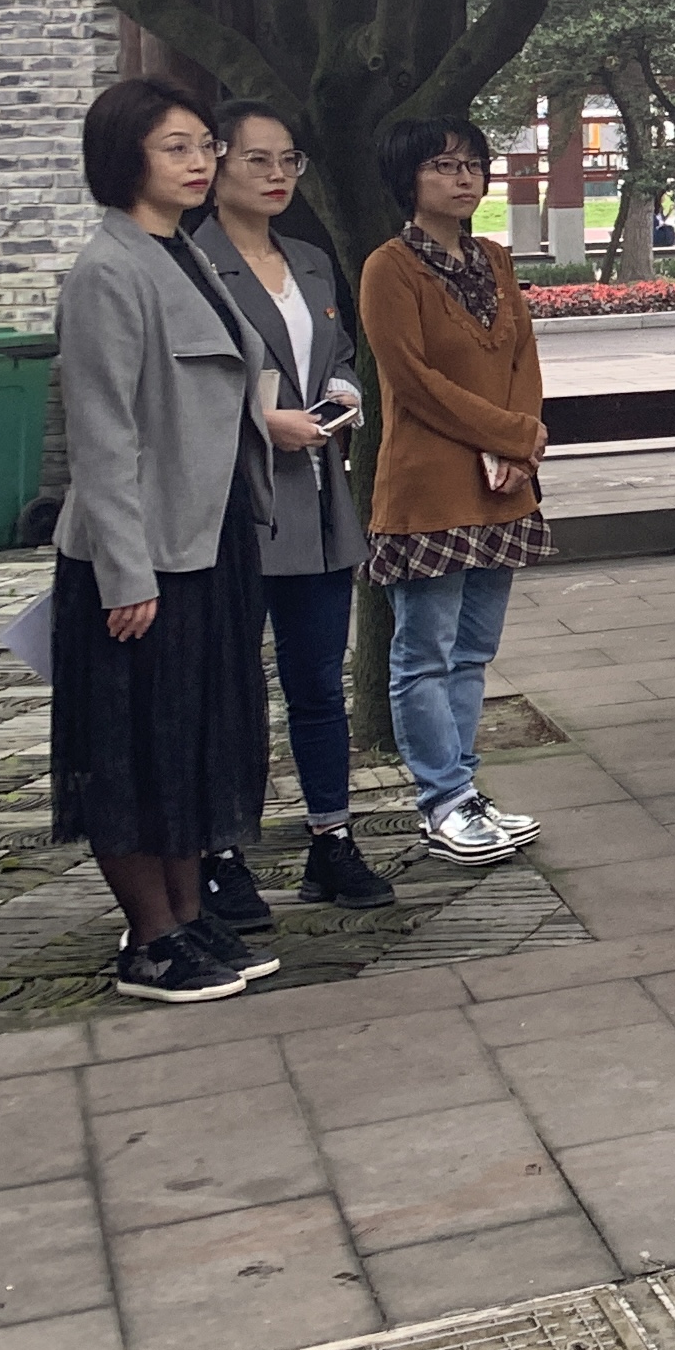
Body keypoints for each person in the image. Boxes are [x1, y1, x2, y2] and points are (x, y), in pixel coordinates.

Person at [53, 80, 279, 1003]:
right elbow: (102, 435)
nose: (199, 163)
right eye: (174, 148)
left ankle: (187, 919)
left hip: (207, 536)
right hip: (142, 554)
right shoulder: (107, 271)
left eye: (203, 146)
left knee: (191, 738)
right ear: (125, 158)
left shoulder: (181, 252)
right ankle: (149, 941)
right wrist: (126, 572)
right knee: (132, 749)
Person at [189, 99, 393, 913]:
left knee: (318, 683)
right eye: (258, 160)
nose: (277, 176)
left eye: (289, 161)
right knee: (230, 687)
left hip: (316, 498)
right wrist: (259, 420)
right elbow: (183, 385)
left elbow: (336, 351)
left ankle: (332, 839)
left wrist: (342, 389)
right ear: (216, 167)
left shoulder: (308, 260)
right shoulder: (191, 265)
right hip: (234, 503)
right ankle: (222, 851)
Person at [359, 115, 550, 864]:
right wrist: (509, 434)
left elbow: (522, 356)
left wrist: (521, 442)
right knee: (424, 653)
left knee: (473, 652)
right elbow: (413, 381)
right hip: (429, 486)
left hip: (501, 486)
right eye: (442, 165)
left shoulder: (494, 259)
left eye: (471, 163)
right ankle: (441, 799)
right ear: (407, 179)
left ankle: (466, 791)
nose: (463, 177)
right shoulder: (389, 268)